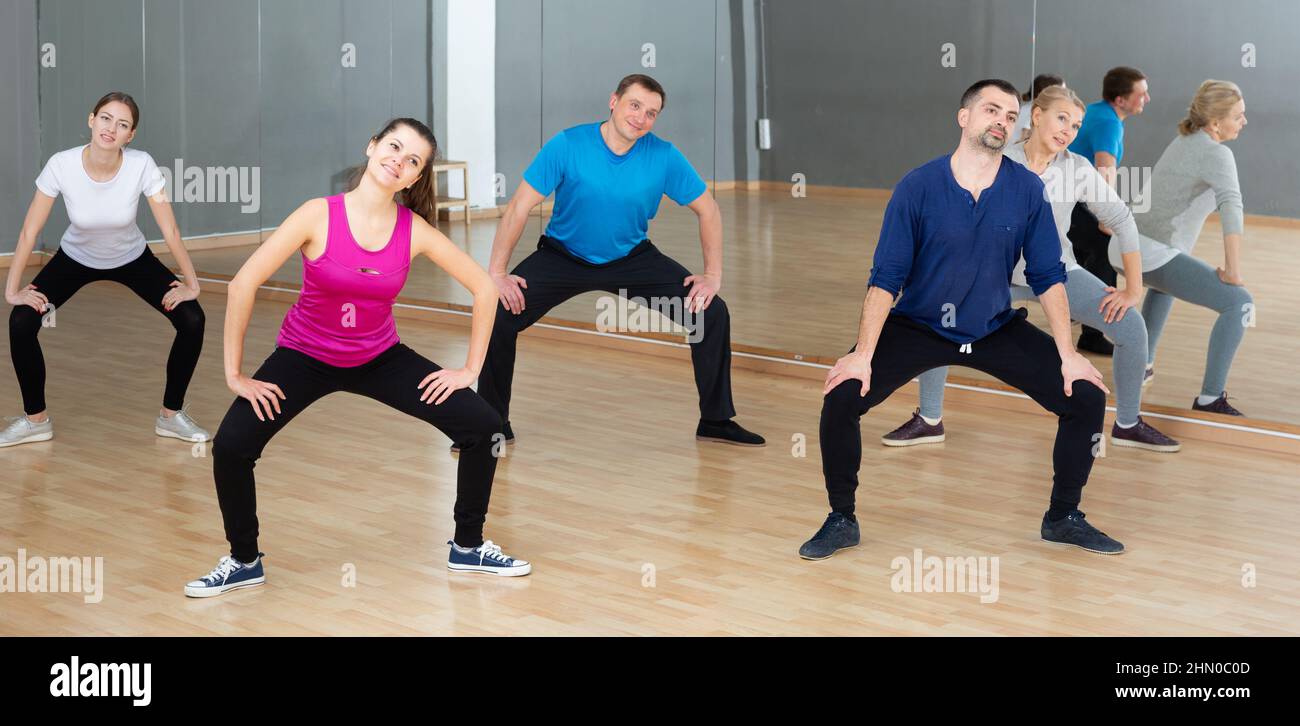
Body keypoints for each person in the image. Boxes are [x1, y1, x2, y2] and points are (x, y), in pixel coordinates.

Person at [184, 118, 529, 598]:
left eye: (413, 160)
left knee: (484, 427)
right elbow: (244, 283)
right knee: (231, 447)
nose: (399, 160)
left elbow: (483, 289)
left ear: (415, 178)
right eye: (393, 147)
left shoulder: (415, 231)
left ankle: (468, 547)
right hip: (303, 355)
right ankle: (244, 560)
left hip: (379, 357)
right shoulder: (316, 215)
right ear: (371, 147)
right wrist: (234, 374)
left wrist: (470, 369)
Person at [799, 80, 1123, 561]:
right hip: (920, 326)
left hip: (993, 326)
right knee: (843, 394)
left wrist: (1068, 354)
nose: (1001, 121)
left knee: (1088, 395)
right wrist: (862, 355)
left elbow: (1047, 274)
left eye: (1010, 115)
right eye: (991, 110)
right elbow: (886, 276)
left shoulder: (1025, 189)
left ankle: (1062, 517)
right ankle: (841, 518)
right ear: (964, 117)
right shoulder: (918, 187)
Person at [473, 73, 764, 452]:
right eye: (635, 105)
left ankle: (716, 420)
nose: (641, 117)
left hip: (631, 258)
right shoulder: (568, 144)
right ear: (614, 101)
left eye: (652, 113)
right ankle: (492, 424)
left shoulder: (663, 156)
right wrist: (496, 274)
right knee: (498, 310)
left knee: (711, 313)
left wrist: (712, 275)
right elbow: (518, 208)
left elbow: (708, 210)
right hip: (563, 257)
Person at [884, 85, 1180, 452]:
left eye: (1075, 125)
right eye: (1061, 119)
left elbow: (1122, 219)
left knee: (1131, 327)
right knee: (939, 318)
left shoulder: (1077, 169)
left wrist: (1133, 289)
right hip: (997, 275)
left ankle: (1128, 423)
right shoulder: (999, 158)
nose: (1067, 131)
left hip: (1057, 272)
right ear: (1036, 116)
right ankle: (929, 419)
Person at [4, 91, 208, 448]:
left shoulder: (141, 165)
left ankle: (170, 417)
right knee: (21, 322)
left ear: (131, 136)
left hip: (131, 258)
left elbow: (170, 230)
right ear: (91, 120)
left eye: (123, 124)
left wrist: (191, 283)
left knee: (192, 319)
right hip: (74, 258)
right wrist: (12, 289)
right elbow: (29, 231)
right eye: (106, 118)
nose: (111, 128)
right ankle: (36, 421)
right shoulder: (61, 165)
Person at [1123, 80, 1252, 416]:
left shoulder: (1185, 139)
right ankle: (1210, 398)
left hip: (1127, 247)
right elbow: (1231, 207)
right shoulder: (1216, 152)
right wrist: (1233, 270)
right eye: (1238, 115)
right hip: (1149, 252)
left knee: (1166, 287)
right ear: (1215, 121)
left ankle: (1142, 365)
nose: (1244, 121)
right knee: (1239, 303)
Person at [1067, 66, 1150, 356]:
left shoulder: (1098, 111)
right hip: (1073, 200)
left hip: (1069, 198)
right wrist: (1106, 217)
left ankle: (1071, 308)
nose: (1147, 99)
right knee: (1104, 247)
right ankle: (1092, 333)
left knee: (1081, 249)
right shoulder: (1109, 123)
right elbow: (1105, 168)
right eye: (1141, 94)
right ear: (1120, 100)